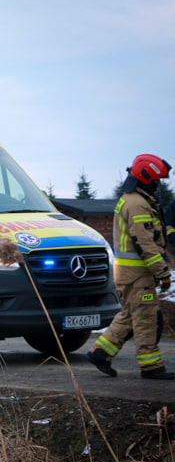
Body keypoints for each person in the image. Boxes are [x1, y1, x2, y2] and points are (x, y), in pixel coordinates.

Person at [86, 153, 175, 380]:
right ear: (146, 179)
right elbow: (145, 243)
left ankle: (101, 352)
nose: (158, 184)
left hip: (130, 273)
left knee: (129, 315)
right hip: (138, 274)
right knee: (146, 318)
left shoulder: (135, 200)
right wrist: (163, 273)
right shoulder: (137, 204)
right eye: (156, 180)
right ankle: (151, 367)